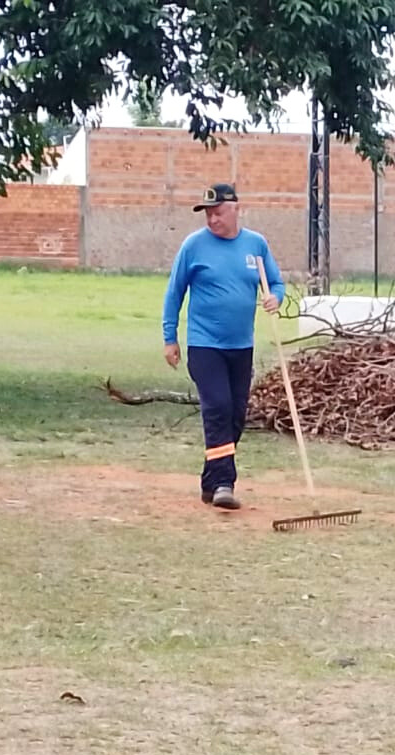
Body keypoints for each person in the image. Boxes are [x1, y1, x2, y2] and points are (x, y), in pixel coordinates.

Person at [162, 183, 286, 510]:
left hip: (241, 346)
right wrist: (169, 337)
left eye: (217, 213)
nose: (212, 220)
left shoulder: (255, 244)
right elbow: (174, 293)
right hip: (205, 346)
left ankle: (210, 479)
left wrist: (275, 298)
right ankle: (223, 483)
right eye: (207, 214)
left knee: (235, 417)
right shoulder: (194, 246)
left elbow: (276, 282)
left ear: (235, 209)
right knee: (217, 407)